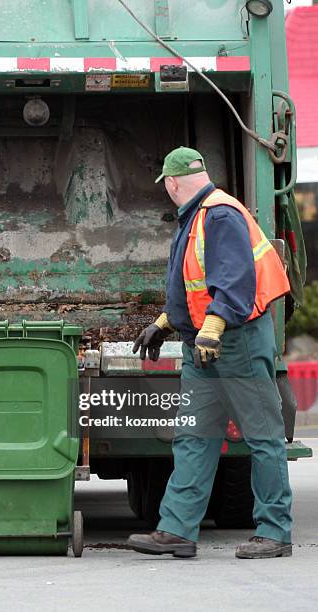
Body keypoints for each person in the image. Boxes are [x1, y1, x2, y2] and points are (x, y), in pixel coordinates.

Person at [128, 147, 293, 559]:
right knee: (194, 437)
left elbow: (235, 281)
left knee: (262, 437)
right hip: (206, 345)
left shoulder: (219, 215)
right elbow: (196, 286)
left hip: (235, 342)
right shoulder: (199, 217)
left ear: (171, 182)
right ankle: (178, 530)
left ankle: (275, 532)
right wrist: (163, 324)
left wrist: (213, 330)